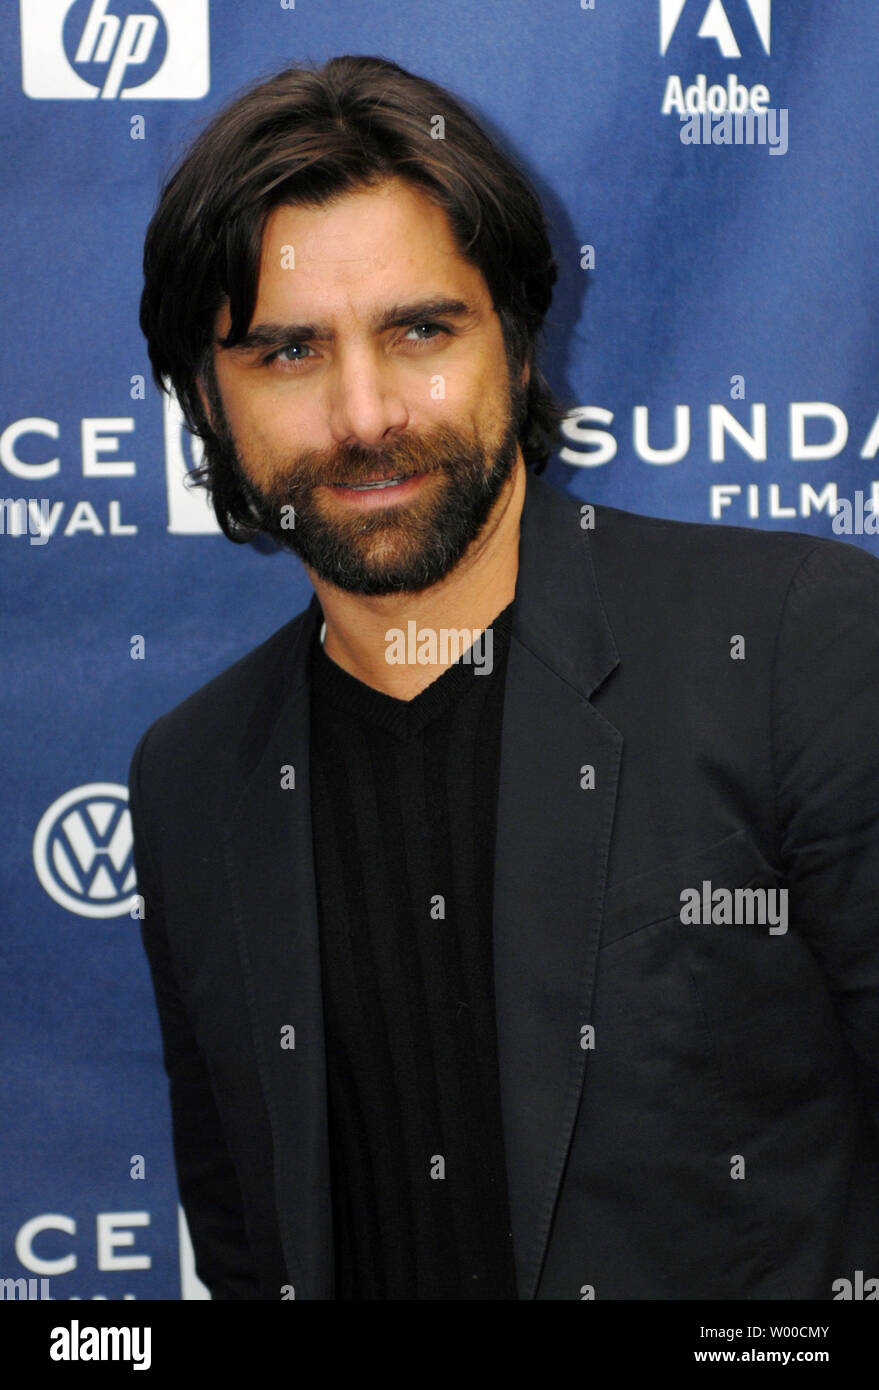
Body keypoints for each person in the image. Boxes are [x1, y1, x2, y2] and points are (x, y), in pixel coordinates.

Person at [130, 54, 879, 1300]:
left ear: (518, 348)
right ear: (210, 403)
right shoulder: (193, 773)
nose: (365, 414)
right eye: (288, 353)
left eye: (421, 330)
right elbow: (247, 1240)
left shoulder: (796, 646)